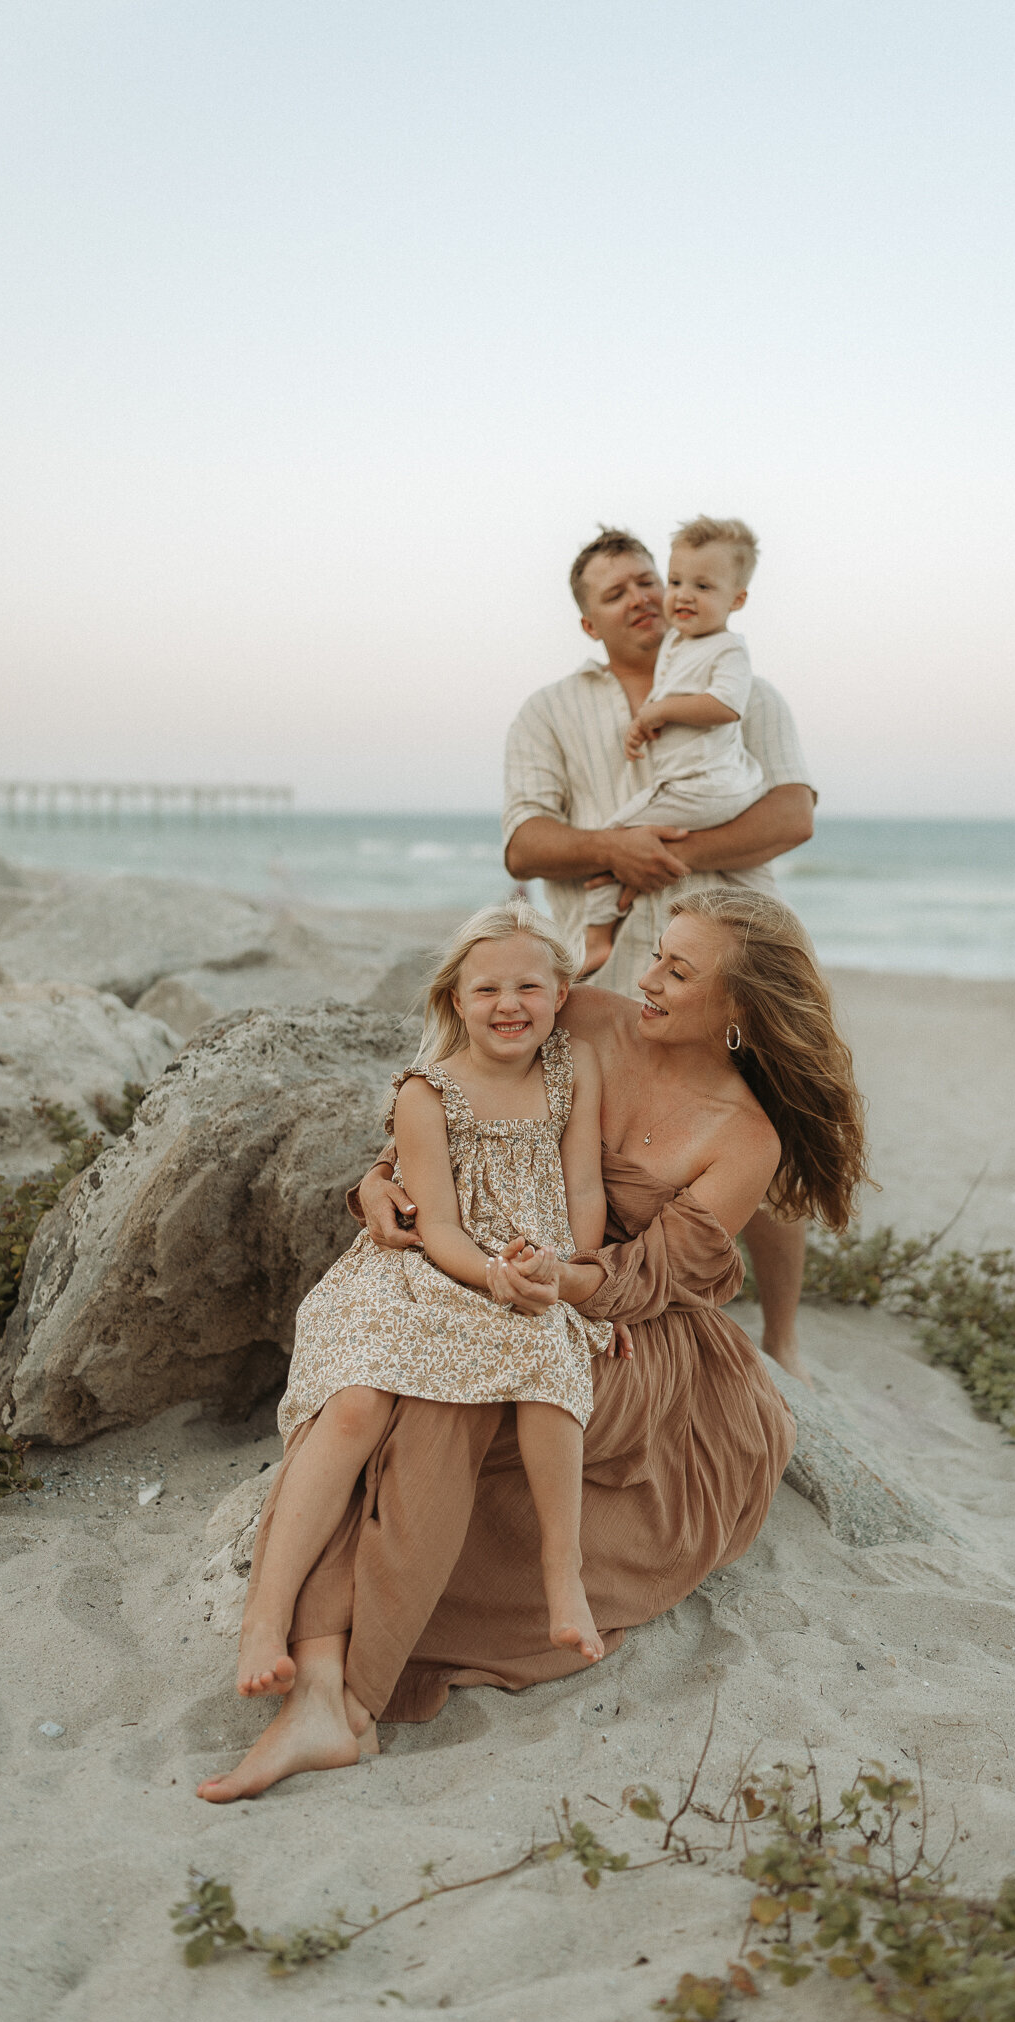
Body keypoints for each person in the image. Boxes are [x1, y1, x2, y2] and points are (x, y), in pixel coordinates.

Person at [197, 887, 867, 1803]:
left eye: (678, 968)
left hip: (628, 1326)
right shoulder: (583, 1015)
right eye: (655, 951)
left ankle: (345, 1689)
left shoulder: (743, 1136)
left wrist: (560, 1283)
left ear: (741, 1010)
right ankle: (318, 1685)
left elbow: (650, 1278)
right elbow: (463, 1106)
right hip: (492, 1274)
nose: (647, 977)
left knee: (449, 1398)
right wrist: (379, 1183)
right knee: (412, 1386)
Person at [235, 903, 615, 1709]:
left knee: (549, 1364)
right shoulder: (426, 1093)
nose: (507, 1004)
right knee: (352, 1406)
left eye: (527, 986)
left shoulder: (572, 1069)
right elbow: (435, 1226)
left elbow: (583, 1186)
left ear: (558, 993)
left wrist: (566, 1271)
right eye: (486, 990)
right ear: (453, 1000)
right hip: (421, 1271)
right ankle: (264, 1620)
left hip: (533, 1266)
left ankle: (562, 1577)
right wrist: (488, 1275)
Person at [503, 525, 817, 1376]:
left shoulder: (742, 685)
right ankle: (610, 1314)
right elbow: (524, 846)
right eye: (615, 593)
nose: (641, 597)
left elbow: (792, 816)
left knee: (766, 1132)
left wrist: (664, 857)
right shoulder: (548, 711)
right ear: (587, 623)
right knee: (605, 1150)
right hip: (606, 969)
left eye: (647, 580)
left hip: (737, 959)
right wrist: (615, 850)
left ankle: (783, 1337)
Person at [581, 518, 765, 974]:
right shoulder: (678, 647)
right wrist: (644, 726)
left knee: (618, 836)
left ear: (736, 599)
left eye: (702, 585)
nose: (682, 595)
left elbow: (725, 704)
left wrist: (658, 712)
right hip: (700, 781)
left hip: (706, 783)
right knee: (622, 845)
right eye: (677, 581)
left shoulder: (728, 649)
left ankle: (595, 939)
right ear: (589, 624)